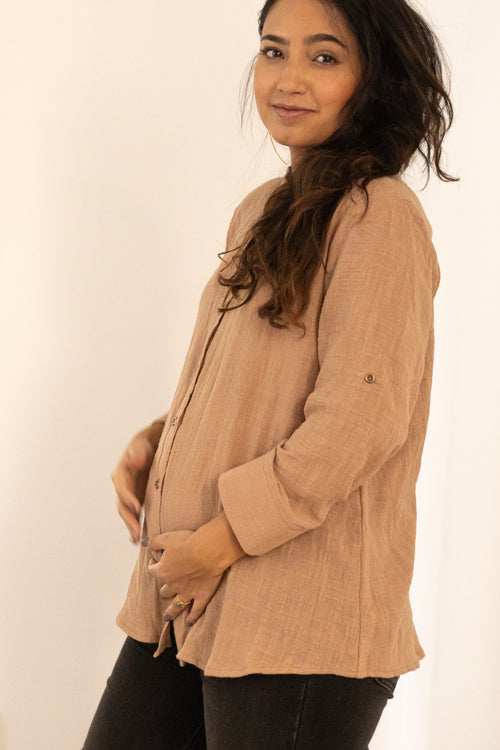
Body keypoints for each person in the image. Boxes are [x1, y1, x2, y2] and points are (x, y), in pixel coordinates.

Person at [82, 0, 456, 747]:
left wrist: (220, 542)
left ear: (375, 78)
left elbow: (359, 419)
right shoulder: (263, 209)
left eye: (325, 57)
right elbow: (255, 378)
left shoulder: (378, 216)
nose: (288, 78)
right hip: (193, 598)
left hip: (298, 621)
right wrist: (164, 440)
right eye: (273, 50)